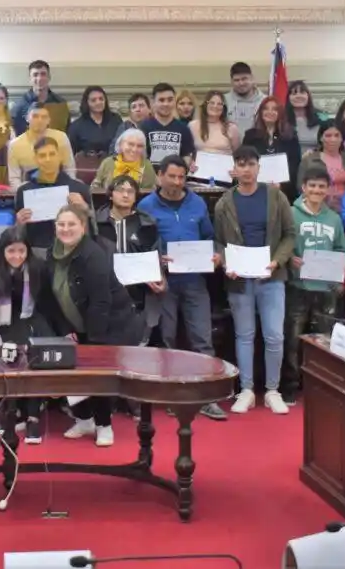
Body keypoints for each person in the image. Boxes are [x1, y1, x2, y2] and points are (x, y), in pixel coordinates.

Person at [41, 204, 143, 447]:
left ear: (83, 227)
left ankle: (104, 425)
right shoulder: (51, 254)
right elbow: (50, 297)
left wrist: (94, 342)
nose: (66, 229)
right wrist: (65, 329)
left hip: (108, 326)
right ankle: (84, 419)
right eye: (61, 224)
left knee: (95, 377)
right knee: (72, 375)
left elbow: (101, 302)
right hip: (75, 325)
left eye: (71, 224)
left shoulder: (93, 255)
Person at [137, 155, 226, 420]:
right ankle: (171, 396)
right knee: (168, 340)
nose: (177, 182)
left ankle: (207, 398)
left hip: (195, 280)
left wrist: (216, 255)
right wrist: (156, 260)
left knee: (202, 339)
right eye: (172, 176)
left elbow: (210, 238)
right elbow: (139, 245)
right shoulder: (146, 206)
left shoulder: (197, 202)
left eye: (181, 177)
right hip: (163, 283)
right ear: (160, 176)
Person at [211, 146, 296, 415]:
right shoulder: (225, 201)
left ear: (259, 167)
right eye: (241, 164)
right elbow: (218, 241)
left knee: (274, 336)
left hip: (271, 276)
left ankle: (272, 390)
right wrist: (226, 263)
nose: (246, 170)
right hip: (239, 279)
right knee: (244, 336)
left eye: (251, 164)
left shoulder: (276, 196)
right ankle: (246, 389)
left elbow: (290, 235)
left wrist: (277, 261)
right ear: (234, 169)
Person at [0, 226, 54, 441]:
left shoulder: (38, 268)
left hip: (31, 320)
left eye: (21, 251)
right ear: (2, 251)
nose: (17, 256)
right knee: (7, 356)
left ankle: (33, 417)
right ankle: (13, 410)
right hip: (1, 322)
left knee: (33, 359)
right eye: (11, 251)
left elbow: (47, 302)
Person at [281, 166, 345, 405]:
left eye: (322, 186)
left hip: (325, 289)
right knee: (293, 340)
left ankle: (320, 388)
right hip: (298, 286)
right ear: (303, 188)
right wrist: (289, 258)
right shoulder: (291, 213)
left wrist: (344, 267)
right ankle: (290, 386)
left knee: (324, 341)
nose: (317, 190)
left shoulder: (334, 218)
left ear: (328, 189)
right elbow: (282, 243)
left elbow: (341, 249)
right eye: (312, 186)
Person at [94, 175, 163, 346]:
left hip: (138, 299)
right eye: (120, 190)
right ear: (110, 195)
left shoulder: (147, 224)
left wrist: (159, 276)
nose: (126, 195)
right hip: (105, 297)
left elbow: (155, 256)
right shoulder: (95, 224)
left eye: (130, 191)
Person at [14, 136, 92, 249]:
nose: (48, 159)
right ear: (35, 159)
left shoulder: (79, 188)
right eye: (42, 155)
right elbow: (18, 234)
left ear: (59, 156)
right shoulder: (24, 192)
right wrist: (19, 223)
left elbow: (91, 231)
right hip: (37, 252)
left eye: (52, 154)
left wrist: (85, 209)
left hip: (72, 252)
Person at [242, 96, 301, 201]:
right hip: (254, 189)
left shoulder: (291, 136)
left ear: (281, 113)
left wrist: (281, 185)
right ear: (260, 112)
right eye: (266, 108)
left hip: (284, 192)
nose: (270, 112)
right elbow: (244, 162)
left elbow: (294, 165)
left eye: (274, 109)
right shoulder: (250, 136)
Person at [7, 103, 76, 189]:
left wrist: (71, 189)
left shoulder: (61, 138)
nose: (40, 120)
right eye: (35, 116)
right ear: (27, 118)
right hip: (30, 191)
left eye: (44, 117)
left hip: (59, 187)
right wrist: (23, 195)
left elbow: (69, 169)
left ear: (49, 120)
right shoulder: (15, 145)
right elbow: (14, 178)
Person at [296, 123, 345, 214]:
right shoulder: (309, 160)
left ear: (342, 138)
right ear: (320, 138)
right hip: (319, 210)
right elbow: (301, 188)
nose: (333, 139)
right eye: (328, 135)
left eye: (337, 135)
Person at [139, 83, 196, 167]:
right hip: (150, 178)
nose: (166, 104)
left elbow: (186, 156)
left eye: (170, 100)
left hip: (176, 178)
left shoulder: (183, 128)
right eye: (161, 100)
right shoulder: (144, 127)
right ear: (153, 102)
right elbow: (140, 156)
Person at [11, 60, 71, 137]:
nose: (39, 78)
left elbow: (66, 132)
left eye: (43, 74)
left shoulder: (60, 104)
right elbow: (16, 136)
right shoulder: (19, 106)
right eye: (35, 75)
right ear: (30, 79)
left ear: (49, 77)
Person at [90, 127, 157, 193]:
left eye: (139, 146)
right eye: (130, 144)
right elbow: (95, 188)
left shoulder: (146, 165)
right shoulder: (108, 162)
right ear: (121, 145)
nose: (134, 149)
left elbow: (149, 193)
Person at [69, 86, 124, 156]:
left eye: (101, 99)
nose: (98, 102)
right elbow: (71, 153)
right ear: (87, 103)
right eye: (93, 100)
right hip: (87, 164)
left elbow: (123, 143)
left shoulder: (116, 119)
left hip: (114, 163)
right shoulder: (77, 126)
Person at [189, 89, 242, 156]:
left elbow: (238, 154)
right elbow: (188, 152)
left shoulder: (231, 128)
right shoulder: (193, 126)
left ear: (223, 108)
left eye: (219, 104)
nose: (215, 106)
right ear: (206, 105)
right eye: (212, 103)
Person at [284, 81, 324, 155]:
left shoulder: (322, 118)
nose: (298, 96)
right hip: (289, 163)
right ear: (288, 98)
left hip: (315, 162)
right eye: (294, 93)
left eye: (302, 92)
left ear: (308, 96)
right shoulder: (282, 119)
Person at [223, 62, 263, 132]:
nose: (241, 83)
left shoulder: (264, 101)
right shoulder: (223, 101)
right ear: (231, 81)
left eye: (244, 79)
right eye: (236, 80)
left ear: (252, 78)